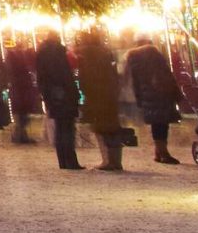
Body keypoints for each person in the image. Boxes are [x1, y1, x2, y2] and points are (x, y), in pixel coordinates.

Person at [124, 33, 181, 165]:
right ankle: (163, 152)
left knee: (157, 123)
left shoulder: (133, 57)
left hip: (146, 94)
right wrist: (176, 92)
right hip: (160, 92)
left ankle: (159, 151)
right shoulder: (154, 53)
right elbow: (167, 73)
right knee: (162, 124)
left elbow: (134, 80)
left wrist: (138, 97)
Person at [74, 25, 124, 172]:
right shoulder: (106, 52)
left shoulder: (82, 54)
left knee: (100, 128)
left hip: (95, 94)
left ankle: (107, 159)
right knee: (113, 127)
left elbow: (83, 75)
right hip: (109, 93)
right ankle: (116, 160)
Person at [35, 29, 82, 170]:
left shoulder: (42, 53)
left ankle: (63, 160)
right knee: (67, 127)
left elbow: (42, 76)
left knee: (60, 128)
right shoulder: (58, 53)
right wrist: (73, 93)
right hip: (63, 94)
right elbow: (65, 75)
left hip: (52, 94)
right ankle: (71, 160)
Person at [6, 37, 42, 144]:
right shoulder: (18, 59)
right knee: (22, 114)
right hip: (21, 89)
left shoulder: (15, 58)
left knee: (22, 114)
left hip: (19, 89)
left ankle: (20, 134)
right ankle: (19, 134)